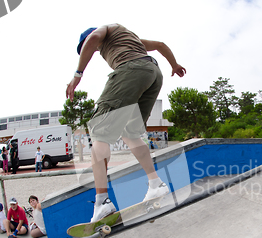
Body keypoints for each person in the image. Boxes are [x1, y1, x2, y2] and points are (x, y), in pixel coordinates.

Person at [66, 24, 186, 223]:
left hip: (132, 70)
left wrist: (77, 75)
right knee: (130, 133)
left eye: (94, 48)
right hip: (153, 74)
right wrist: (174, 65)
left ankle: (102, 201)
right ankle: (155, 183)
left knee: (99, 130)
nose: (96, 51)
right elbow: (160, 45)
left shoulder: (106, 30)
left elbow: (94, 37)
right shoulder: (131, 40)